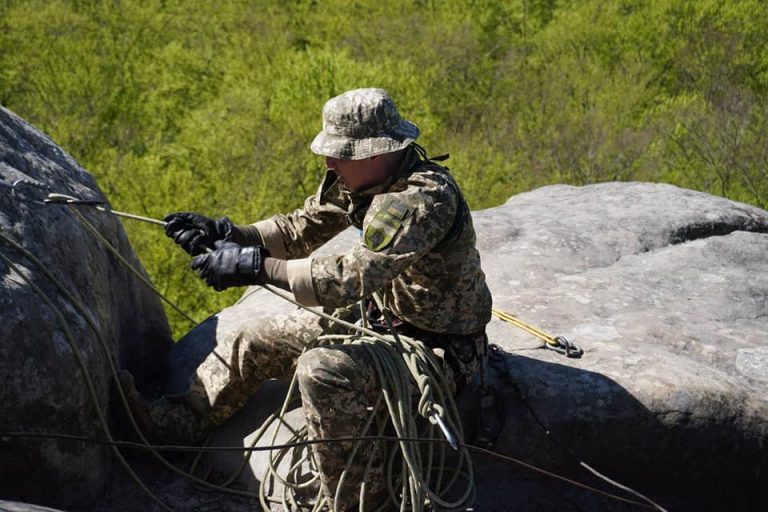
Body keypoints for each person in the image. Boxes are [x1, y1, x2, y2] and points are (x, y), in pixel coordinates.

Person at [134, 88, 492, 510]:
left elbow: (351, 278)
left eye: (340, 154)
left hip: (436, 349)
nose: (328, 162)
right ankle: (178, 426)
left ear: (375, 154)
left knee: (322, 371)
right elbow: (301, 229)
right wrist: (229, 234)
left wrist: (253, 267)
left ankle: (361, 501)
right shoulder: (362, 179)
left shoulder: (418, 200)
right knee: (255, 339)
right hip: (380, 321)